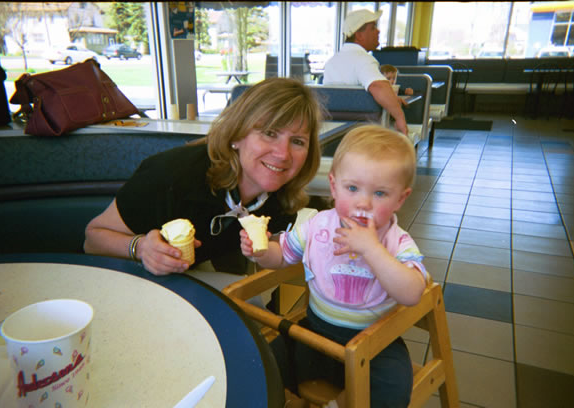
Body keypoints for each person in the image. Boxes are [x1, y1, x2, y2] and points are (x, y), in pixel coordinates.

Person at [240, 124, 427, 408]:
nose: (363, 202)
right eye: (352, 188)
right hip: (316, 333)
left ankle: (340, 404)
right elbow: (282, 257)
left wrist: (372, 249)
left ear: (400, 198)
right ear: (333, 186)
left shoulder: (396, 241)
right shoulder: (317, 225)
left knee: (393, 387)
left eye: (380, 193)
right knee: (267, 358)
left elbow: (412, 293)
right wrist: (261, 252)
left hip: (373, 344)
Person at [84, 77, 323, 278]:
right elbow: (92, 239)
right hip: (127, 278)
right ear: (236, 136)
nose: (283, 154)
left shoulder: (283, 198)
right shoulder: (170, 176)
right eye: (269, 133)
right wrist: (141, 248)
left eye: (297, 141)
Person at [323, 9, 409, 137]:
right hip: (362, 134)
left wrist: (390, 99)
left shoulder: (332, 61)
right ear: (359, 35)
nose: (378, 31)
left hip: (333, 133)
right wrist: (400, 118)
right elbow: (378, 87)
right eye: (373, 28)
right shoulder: (363, 59)